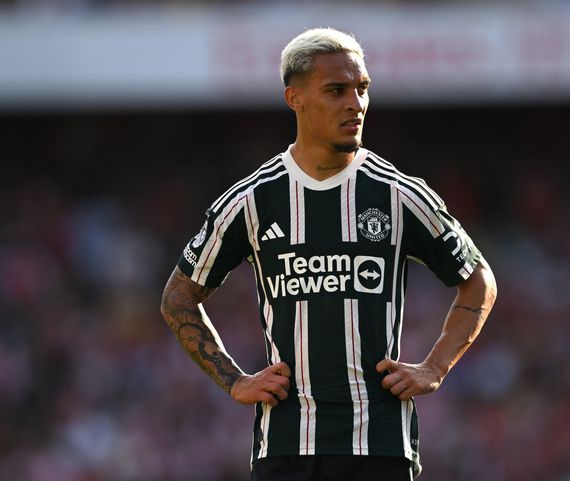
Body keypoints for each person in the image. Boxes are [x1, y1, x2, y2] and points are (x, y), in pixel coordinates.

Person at [160, 27, 497, 481]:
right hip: (285, 448)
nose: (355, 104)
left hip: (380, 447)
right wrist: (235, 380)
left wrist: (434, 366)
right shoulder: (254, 200)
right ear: (294, 98)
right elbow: (178, 297)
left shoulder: (398, 195)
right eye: (336, 91)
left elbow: (478, 279)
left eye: (362, 90)